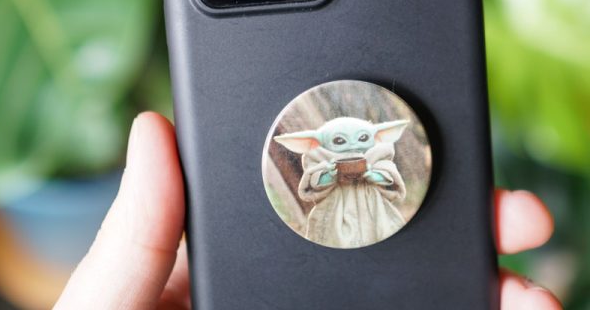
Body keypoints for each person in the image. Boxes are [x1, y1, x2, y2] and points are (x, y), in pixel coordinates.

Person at [54, 112, 563, 310]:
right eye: (339, 141)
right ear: (315, 143)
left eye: (360, 139)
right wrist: (333, 173)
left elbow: (390, 181)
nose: (352, 147)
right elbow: (312, 185)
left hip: (372, 214)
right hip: (332, 217)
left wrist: (370, 172)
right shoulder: (317, 161)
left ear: (378, 136)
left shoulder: (382, 157)